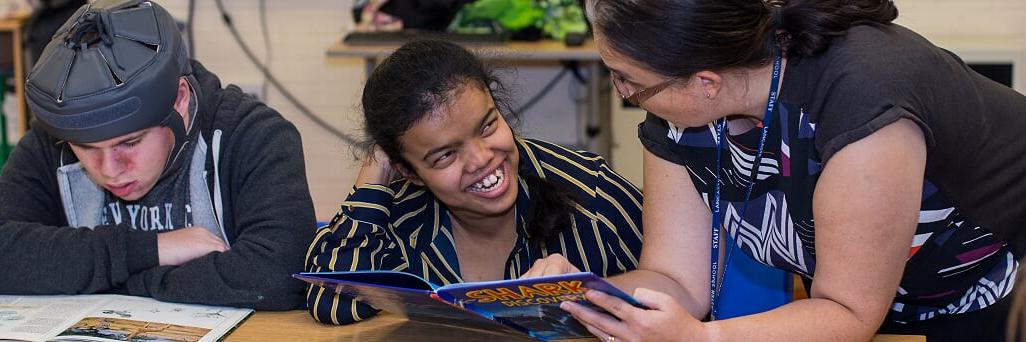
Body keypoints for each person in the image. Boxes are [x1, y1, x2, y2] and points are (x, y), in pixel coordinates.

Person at [521, 0, 1026, 341]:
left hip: (1005, 289)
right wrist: (586, 296)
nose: (622, 94)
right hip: (901, 303)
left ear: (705, 81)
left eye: (628, 80)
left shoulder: (862, 94)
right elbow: (677, 277)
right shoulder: (679, 105)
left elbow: (848, 312)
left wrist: (702, 337)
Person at [0, 0, 315, 310]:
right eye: (87, 149)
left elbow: (277, 275)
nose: (109, 170)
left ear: (178, 100)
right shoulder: (53, 140)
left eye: (130, 143)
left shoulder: (256, 136)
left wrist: (117, 281)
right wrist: (150, 251)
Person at [304, 39, 644, 324]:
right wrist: (372, 180)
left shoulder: (591, 194)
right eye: (445, 155)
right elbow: (330, 303)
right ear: (409, 172)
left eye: (487, 126)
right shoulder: (398, 218)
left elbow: (684, 290)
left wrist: (592, 295)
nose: (481, 159)